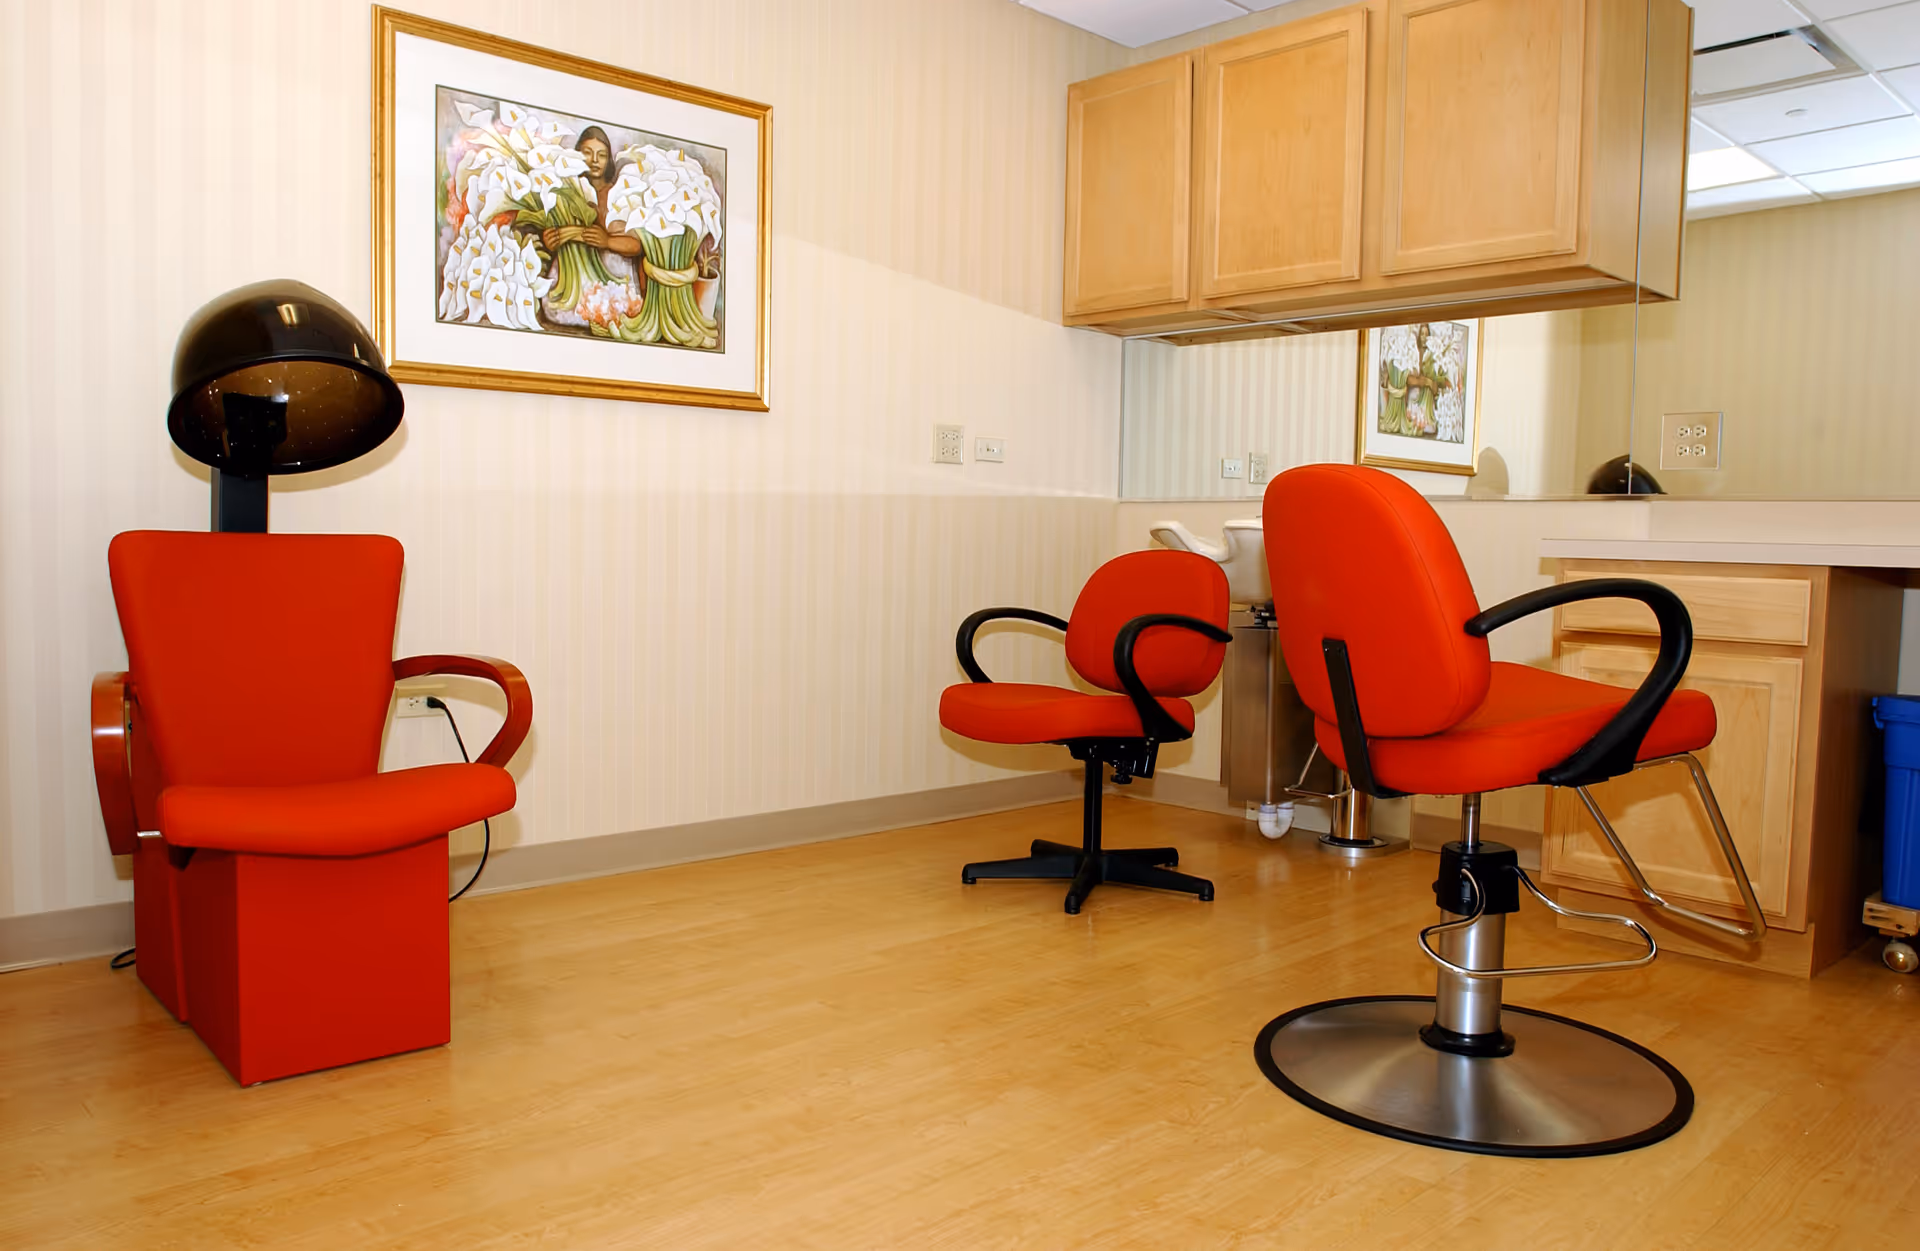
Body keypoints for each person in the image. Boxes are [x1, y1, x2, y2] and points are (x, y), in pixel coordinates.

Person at [541, 127, 640, 262]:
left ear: (608, 159)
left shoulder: (619, 194)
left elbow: (637, 246)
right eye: (587, 153)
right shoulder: (569, 193)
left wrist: (608, 241)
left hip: (617, 272)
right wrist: (551, 240)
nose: (595, 160)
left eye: (602, 155)